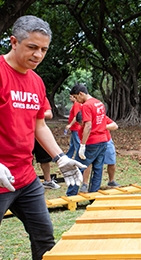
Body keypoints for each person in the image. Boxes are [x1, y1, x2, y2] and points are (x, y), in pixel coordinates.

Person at [0, 15, 85, 260]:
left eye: (44, 49)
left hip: (25, 179)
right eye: (32, 47)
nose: (38, 55)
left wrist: (60, 157)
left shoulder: (36, 82)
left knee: (44, 237)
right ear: (14, 41)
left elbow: (39, 125)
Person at [66, 83, 108, 196]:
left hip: (92, 141)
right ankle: (93, 194)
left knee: (77, 167)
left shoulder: (86, 105)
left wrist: (82, 145)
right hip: (103, 140)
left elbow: (88, 125)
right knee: (98, 169)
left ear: (81, 94)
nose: (76, 100)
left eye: (76, 97)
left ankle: (71, 195)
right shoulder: (99, 103)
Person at [79, 114, 120, 192]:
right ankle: (85, 184)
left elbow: (115, 126)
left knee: (111, 162)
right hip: (91, 143)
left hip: (106, 140)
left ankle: (111, 181)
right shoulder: (82, 126)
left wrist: (101, 127)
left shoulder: (100, 117)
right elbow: (82, 137)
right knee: (88, 163)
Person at [33, 97, 60, 189]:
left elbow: (49, 114)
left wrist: (34, 114)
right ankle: (25, 183)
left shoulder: (40, 97)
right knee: (25, 158)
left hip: (40, 131)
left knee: (44, 159)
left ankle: (48, 181)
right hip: (23, 132)